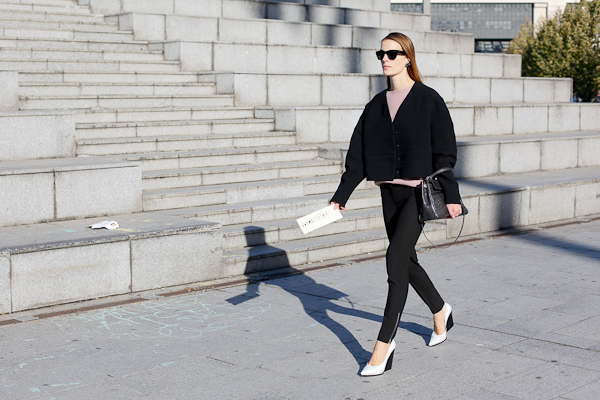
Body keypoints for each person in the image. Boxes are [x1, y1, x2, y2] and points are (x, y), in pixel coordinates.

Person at [330, 32, 463, 377]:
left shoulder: (428, 99)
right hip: (388, 193)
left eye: (392, 53)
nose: (385, 59)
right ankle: (440, 310)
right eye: (381, 54)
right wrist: (341, 195)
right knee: (405, 260)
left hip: (418, 192)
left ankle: (383, 346)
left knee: (394, 260)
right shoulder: (375, 105)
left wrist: (452, 195)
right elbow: (357, 156)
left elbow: (445, 151)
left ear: (407, 58)